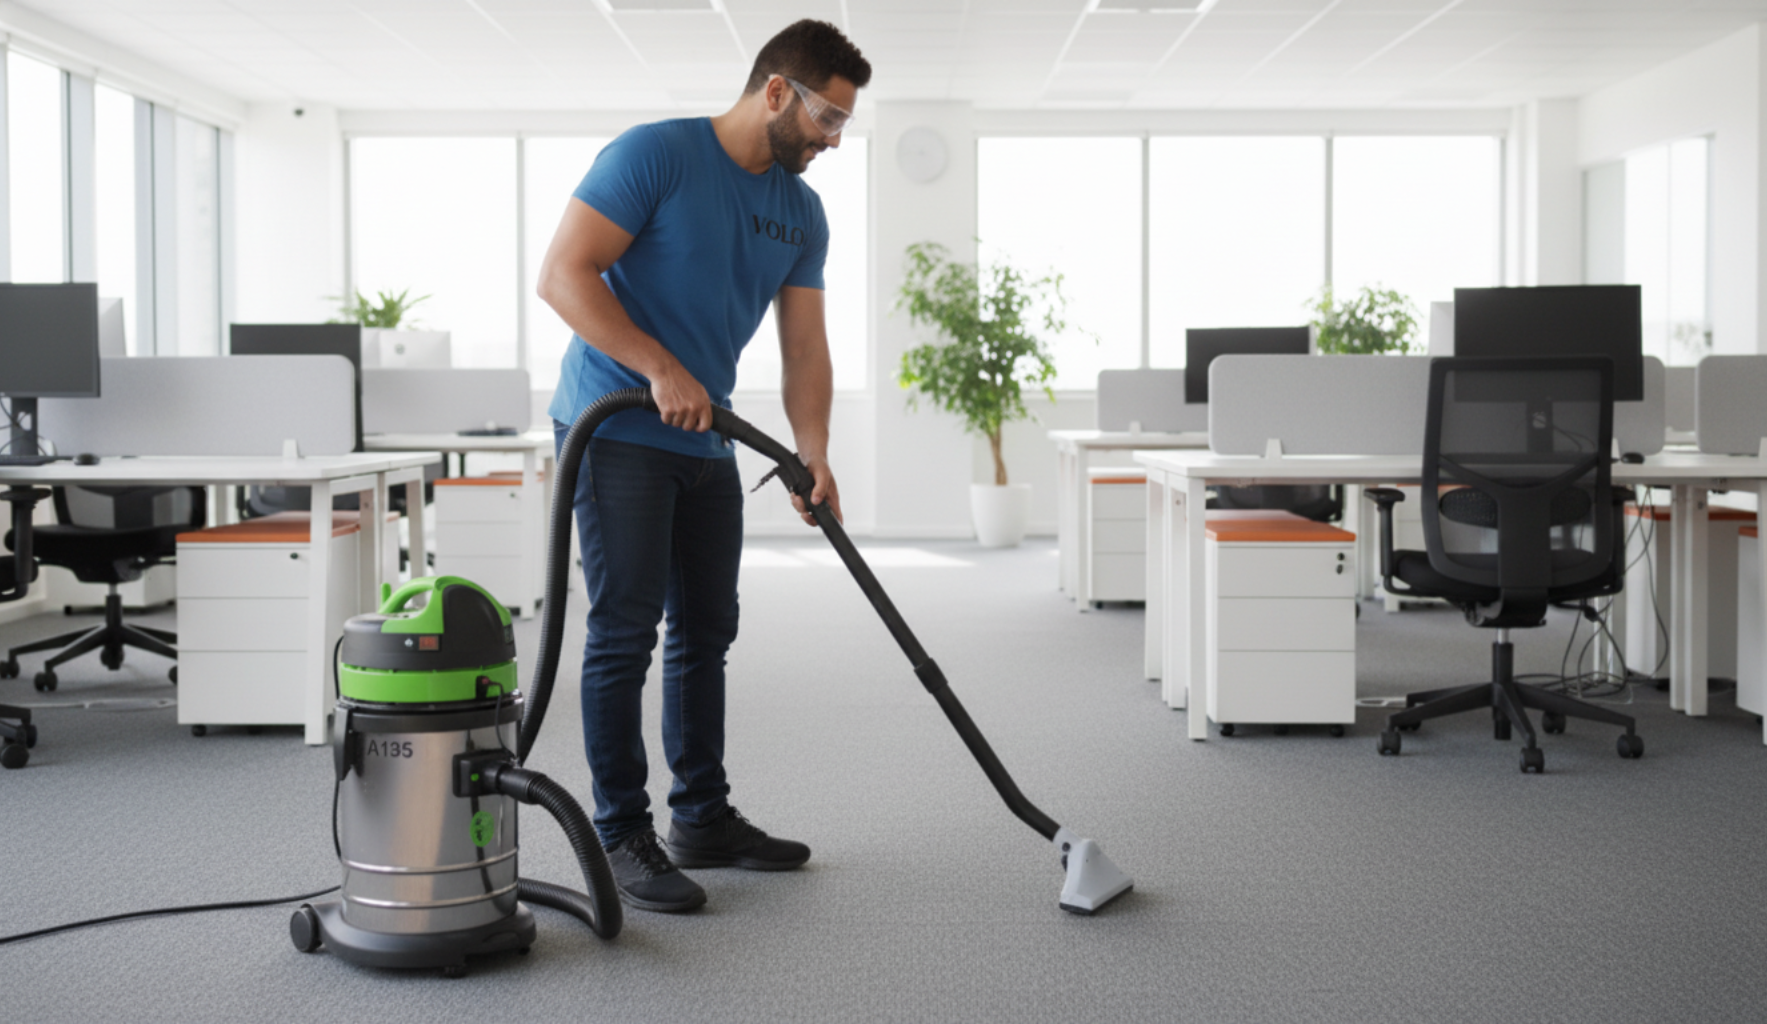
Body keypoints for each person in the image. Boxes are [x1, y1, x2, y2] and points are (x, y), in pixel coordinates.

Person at [535, 20, 871, 913]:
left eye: (843, 123)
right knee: (624, 631)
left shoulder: (800, 211)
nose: (834, 139)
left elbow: (806, 348)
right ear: (774, 91)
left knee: (707, 629)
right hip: (612, 426)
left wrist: (814, 452)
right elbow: (564, 275)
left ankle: (701, 817)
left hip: (703, 435)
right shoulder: (654, 155)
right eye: (827, 117)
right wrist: (655, 365)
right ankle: (621, 832)